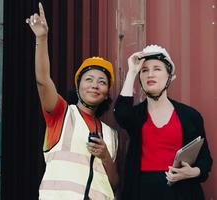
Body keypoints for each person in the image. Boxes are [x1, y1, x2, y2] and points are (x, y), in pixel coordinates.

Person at [26, 3, 119, 200]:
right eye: (89, 80)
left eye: (102, 82)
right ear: (78, 86)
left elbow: (114, 183)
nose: (95, 85)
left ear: (106, 92)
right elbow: (43, 81)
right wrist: (41, 38)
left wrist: (105, 157)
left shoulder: (111, 135)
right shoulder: (61, 113)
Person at [114, 44, 213, 200]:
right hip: (142, 191)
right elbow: (121, 114)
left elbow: (205, 160)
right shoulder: (136, 115)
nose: (150, 74)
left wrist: (193, 172)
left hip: (182, 193)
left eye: (157, 69)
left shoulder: (190, 116)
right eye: (144, 70)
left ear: (169, 76)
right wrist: (132, 72)